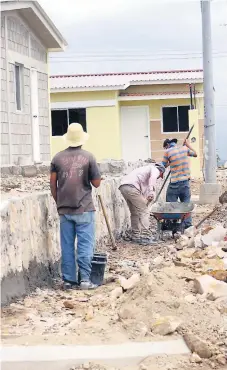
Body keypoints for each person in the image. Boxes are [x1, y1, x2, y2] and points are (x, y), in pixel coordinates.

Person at [50, 123, 101, 290]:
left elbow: (53, 184)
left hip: (64, 209)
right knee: (85, 245)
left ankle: (69, 281)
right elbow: (96, 183)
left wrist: (59, 203)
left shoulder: (57, 158)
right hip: (84, 208)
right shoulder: (89, 157)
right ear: (82, 139)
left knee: (67, 246)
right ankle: (85, 280)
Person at [119, 163, 165, 245]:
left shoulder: (144, 170)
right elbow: (153, 178)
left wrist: (148, 198)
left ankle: (135, 236)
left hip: (124, 187)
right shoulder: (155, 169)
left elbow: (142, 196)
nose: (158, 177)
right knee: (144, 211)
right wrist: (151, 192)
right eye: (160, 176)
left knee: (134, 213)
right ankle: (145, 236)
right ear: (161, 172)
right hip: (132, 188)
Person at [162, 138, 197, 229]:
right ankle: (188, 225)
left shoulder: (168, 152)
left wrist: (169, 163)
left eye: (165, 148)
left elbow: (163, 166)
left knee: (170, 204)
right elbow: (195, 154)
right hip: (185, 182)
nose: (165, 149)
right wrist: (188, 145)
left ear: (167, 145)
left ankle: (172, 224)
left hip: (174, 184)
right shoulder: (184, 149)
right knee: (186, 204)